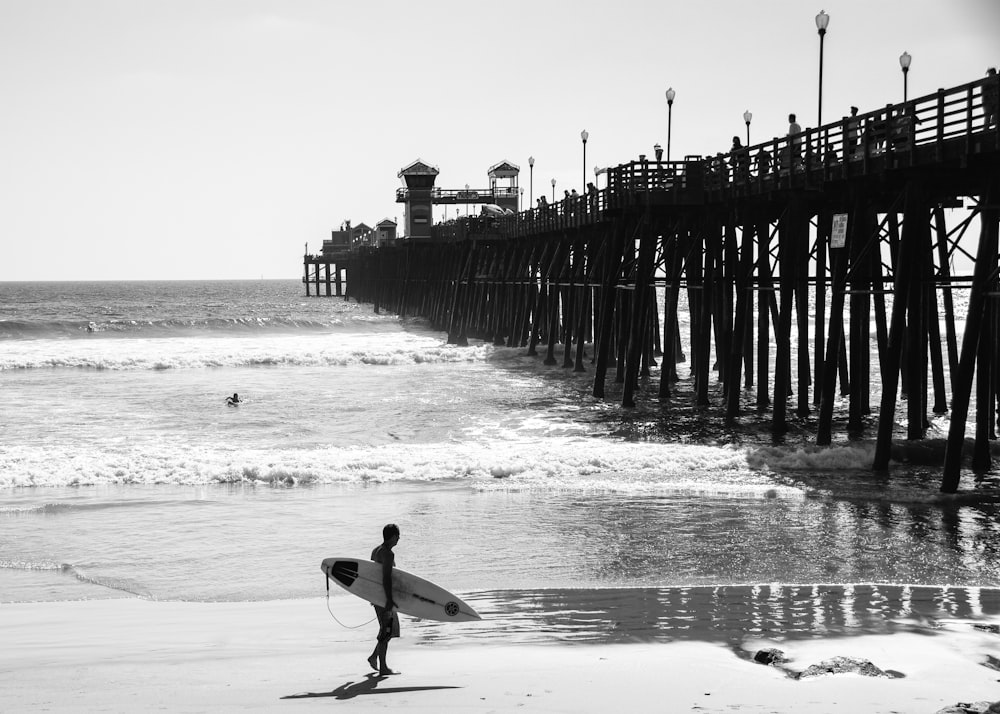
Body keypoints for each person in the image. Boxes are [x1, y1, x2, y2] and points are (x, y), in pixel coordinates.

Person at [367, 523, 400, 675]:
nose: (399, 539)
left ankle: (374, 657)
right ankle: (383, 668)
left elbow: (373, 576)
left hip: (377, 595)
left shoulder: (376, 550)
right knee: (386, 630)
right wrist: (389, 599)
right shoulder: (388, 554)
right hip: (384, 597)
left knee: (389, 629)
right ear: (392, 537)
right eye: (397, 536)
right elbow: (386, 578)